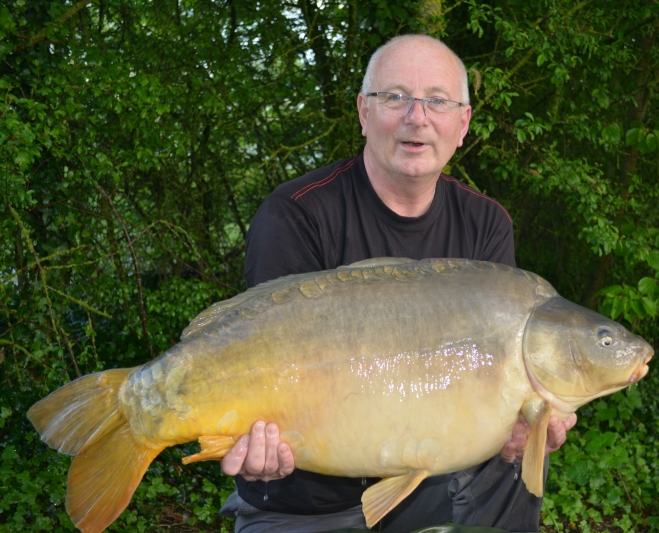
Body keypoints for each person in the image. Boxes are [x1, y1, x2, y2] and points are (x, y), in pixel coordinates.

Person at [219, 34, 577, 533]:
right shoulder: (297, 213)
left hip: (442, 486)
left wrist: (520, 434)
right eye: (395, 97)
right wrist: (257, 441)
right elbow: (263, 358)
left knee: (506, 475)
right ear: (363, 112)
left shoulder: (486, 224)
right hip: (303, 497)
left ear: (463, 123)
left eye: (437, 100)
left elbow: (493, 398)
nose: (417, 117)